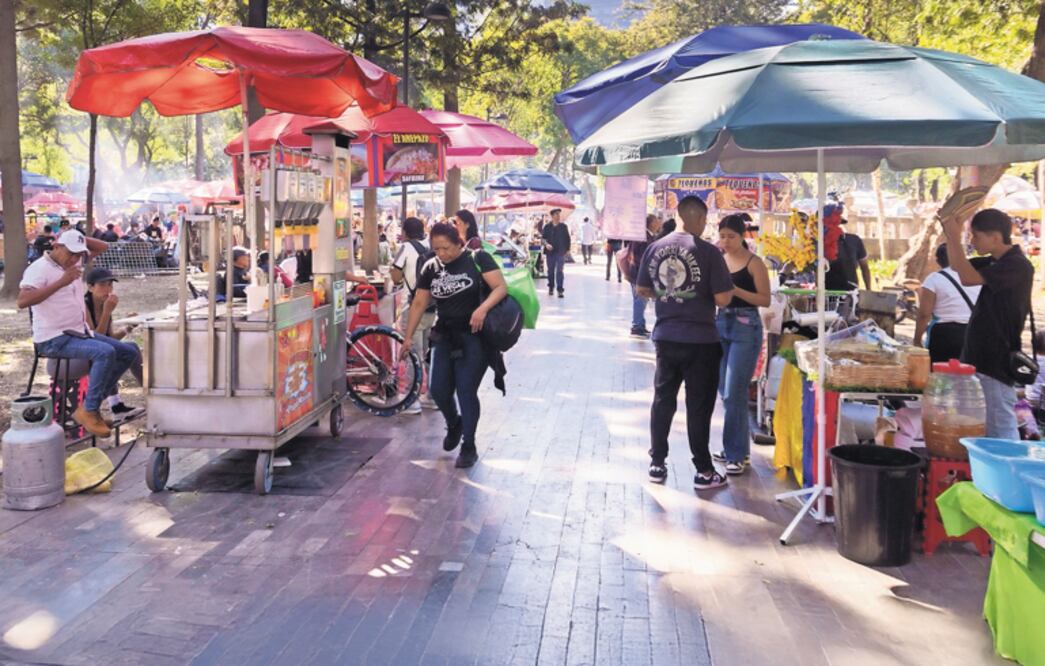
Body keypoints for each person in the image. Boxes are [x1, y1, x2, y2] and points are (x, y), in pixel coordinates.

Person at [636, 195, 734, 489]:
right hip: (701, 340)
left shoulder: (655, 247)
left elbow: (641, 288)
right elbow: (722, 298)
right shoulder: (707, 252)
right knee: (699, 406)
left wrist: (668, 295)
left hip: (666, 338)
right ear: (701, 220)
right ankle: (703, 471)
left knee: (663, 400)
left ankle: (657, 463)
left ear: (678, 216)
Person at [401, 223, 508, 468]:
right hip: (444, 335)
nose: (442, 254)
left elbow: (500, 287)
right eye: (436, 249)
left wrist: (482, 309)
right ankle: (454, 423)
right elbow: (419, 303)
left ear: (459, 243)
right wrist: (407, 338)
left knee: (465, 390)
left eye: (446, 248)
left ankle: (468, 445)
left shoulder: (477, 258)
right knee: (438, 389)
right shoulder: (431, 267)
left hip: (474, 335)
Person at [16, 230, 137, 437]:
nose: (75, 259)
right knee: (105, 352)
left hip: (79, 332)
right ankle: (90, 411)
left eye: (78, 255)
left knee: (128, 352)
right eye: (71, 253)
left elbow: (103, 247)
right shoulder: (39, 269)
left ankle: (89, 409)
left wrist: (75, 236)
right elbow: (22, 301)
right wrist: (61, 282)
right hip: (53, 338)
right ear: (56, 247)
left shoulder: (74, 262)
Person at [941, 208, 1034, 440]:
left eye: (977, 236)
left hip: (996, 359)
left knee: (1000, 428)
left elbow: (968, 277)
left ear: (995, 237)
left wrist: (954, 236)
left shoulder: (1017, 265)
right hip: (977, 356)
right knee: (976, 425)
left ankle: (1009, 474)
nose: (973, 241)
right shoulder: (994, 261)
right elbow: (957, 267)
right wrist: (950, 231)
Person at [712, 214, 771, 475]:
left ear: (742, 236)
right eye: (722, 236)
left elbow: (765, 299)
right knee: (724, 390)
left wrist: (735, 290)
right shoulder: (719, 259)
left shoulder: (754, 262)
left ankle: (736, 453)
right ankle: (736, 448)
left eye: (731, 236)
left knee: (734, 392)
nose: (726, 241)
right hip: (721, 323)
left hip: (746, 327)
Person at [390, 216, 437, 414]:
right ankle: (433, 396)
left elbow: (396, 275)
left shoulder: (406, 248)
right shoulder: (431, 246)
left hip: (413, 306)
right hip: (431, 307)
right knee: (427, 353)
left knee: (411, 352)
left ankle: (411, 398)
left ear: (406, 232)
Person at [82, 267, 143, 415]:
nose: (107, 289)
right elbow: (95, 339)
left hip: (99, 347)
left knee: (131, 347)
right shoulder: (84, 305)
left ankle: (123, 401)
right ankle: (117, 403)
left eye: (110, 285)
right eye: (102, 285)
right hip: (82, 349)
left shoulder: (104, 304)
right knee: (113, 352)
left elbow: (110, 338)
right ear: (90, 287)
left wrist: (129, 327)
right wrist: (107, 312)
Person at [913, 243, 981, 363]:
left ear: (938, 261)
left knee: (940, 377)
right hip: (972, 333)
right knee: (967, 377)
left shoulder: (934, 279)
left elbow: (924, 314)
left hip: (944, 335)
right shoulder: (974, 276)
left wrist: (917, 340)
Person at [628, 214, 663, 338]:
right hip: (638, 273)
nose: (660, 223)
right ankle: (636, 326)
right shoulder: (644, 238)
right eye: (658, 220)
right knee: (640, 300)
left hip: (637, 273)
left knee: (640, 300)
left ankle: (640, 324)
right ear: (652, 223)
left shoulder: (646, 236)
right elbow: (643, 258)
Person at [824, 219, 872, 291]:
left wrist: (868, 289)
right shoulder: (820, 242)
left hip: (851, 288)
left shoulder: (854, 240)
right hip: (827, 289)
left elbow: (864, 267)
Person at [542, 208, 571, 298]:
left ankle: (560, 290)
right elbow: (543, 239)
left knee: (559, 271)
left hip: (560, 252)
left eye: (559, 214)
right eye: (556, 214)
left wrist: (567, 250)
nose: (558, 216)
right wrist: (546, 244)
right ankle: (551, 287)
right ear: (552, 216)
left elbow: (567, 239)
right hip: (550, 253)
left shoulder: (563, 227)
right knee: (550, 271)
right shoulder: (547, 227)